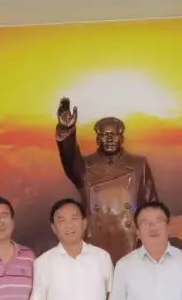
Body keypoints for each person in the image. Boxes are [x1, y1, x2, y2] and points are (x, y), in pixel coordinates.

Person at [55, 97, 159, 263]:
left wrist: (151, 240)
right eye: (104, 135)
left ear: (122, 137)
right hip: (95, 241)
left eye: (114, 134)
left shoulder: (138, 163)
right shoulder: (85, 166)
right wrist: (66, 129)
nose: (109, 139)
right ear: (98, 139)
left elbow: (152, 206)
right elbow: (68, 159)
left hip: (130, 241)